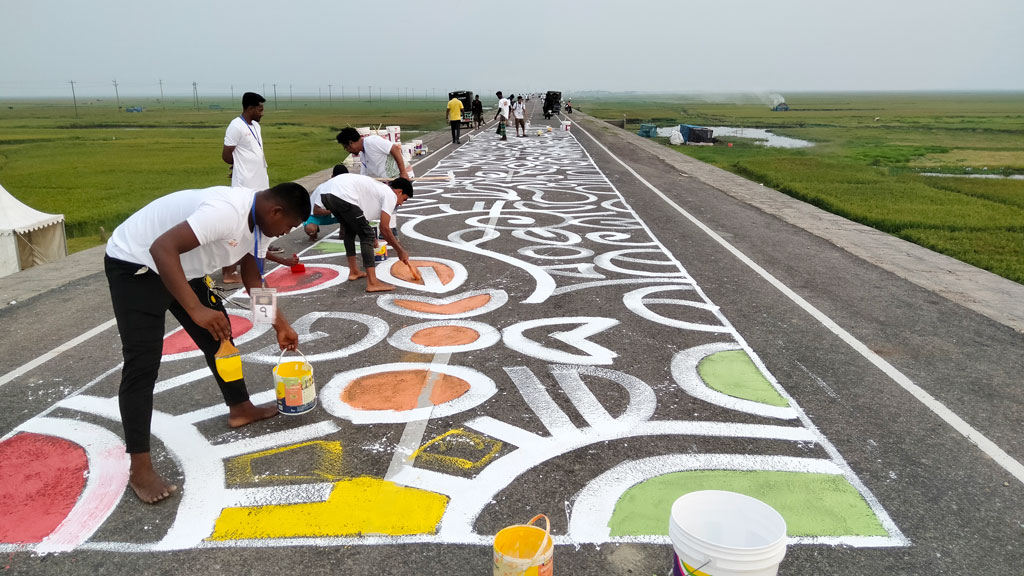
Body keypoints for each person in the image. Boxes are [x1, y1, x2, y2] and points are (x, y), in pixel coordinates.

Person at [104, 182, 311, 504]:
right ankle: (139, 467)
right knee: (141, 364)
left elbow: (252, 277)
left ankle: (240, 407)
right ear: (276, 211)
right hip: (137, 265)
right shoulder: (225, 211)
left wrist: (280, 325)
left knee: (220, 334)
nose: (286, 232)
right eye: (289, 226)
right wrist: (195, 309)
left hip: (183, 269)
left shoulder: (262, 226)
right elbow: (162, 248)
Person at [317, 174, 414, 292]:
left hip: (327, 194)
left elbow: (360, 220)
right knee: (367, 235)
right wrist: (400, 251)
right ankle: (372, 282)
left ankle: (354, 271)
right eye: (404, 199)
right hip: (342, 194)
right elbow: (385, 229)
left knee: (350, 230)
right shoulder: (390, 195)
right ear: (399, 192)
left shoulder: (378, 190)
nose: (401, 203)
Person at [221, 92, 280, 283]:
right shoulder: (235, 126)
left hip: (260, 183)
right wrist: (237, 167)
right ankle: (228, 272)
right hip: (244, 186)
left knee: (255, 224)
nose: (262, 113)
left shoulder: (255, 126)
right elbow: (226, 155)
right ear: (250, 108)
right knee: (239, 227)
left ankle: (255, 256)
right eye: (260, 109)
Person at [336, 127, 410, 180]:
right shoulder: (363, 156)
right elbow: (364, 177)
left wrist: (403, 172)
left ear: (351, 143)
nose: (347, 151)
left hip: (400, 177)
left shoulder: (372, 142)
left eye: (346, 147)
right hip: (387, 181)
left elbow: (395, 149)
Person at [304, 164, 348, 240]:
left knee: (350, 214)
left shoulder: (345, 187)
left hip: (332, 213)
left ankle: (343, 233)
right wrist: (334, 210)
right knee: (311, 230)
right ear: (332, 177)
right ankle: (314, 229)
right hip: (315, 215)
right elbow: (316, 211)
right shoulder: (324, 188)